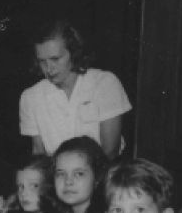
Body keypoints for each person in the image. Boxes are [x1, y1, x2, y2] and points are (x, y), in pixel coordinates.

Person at [18, 20, 131, 159]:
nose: (48, 68)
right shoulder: (31, 97)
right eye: (42, 61)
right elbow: (39, 154)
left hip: (105, 175)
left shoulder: (104, 83)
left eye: (55, 59)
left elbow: (110, 151)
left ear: (73, 52)